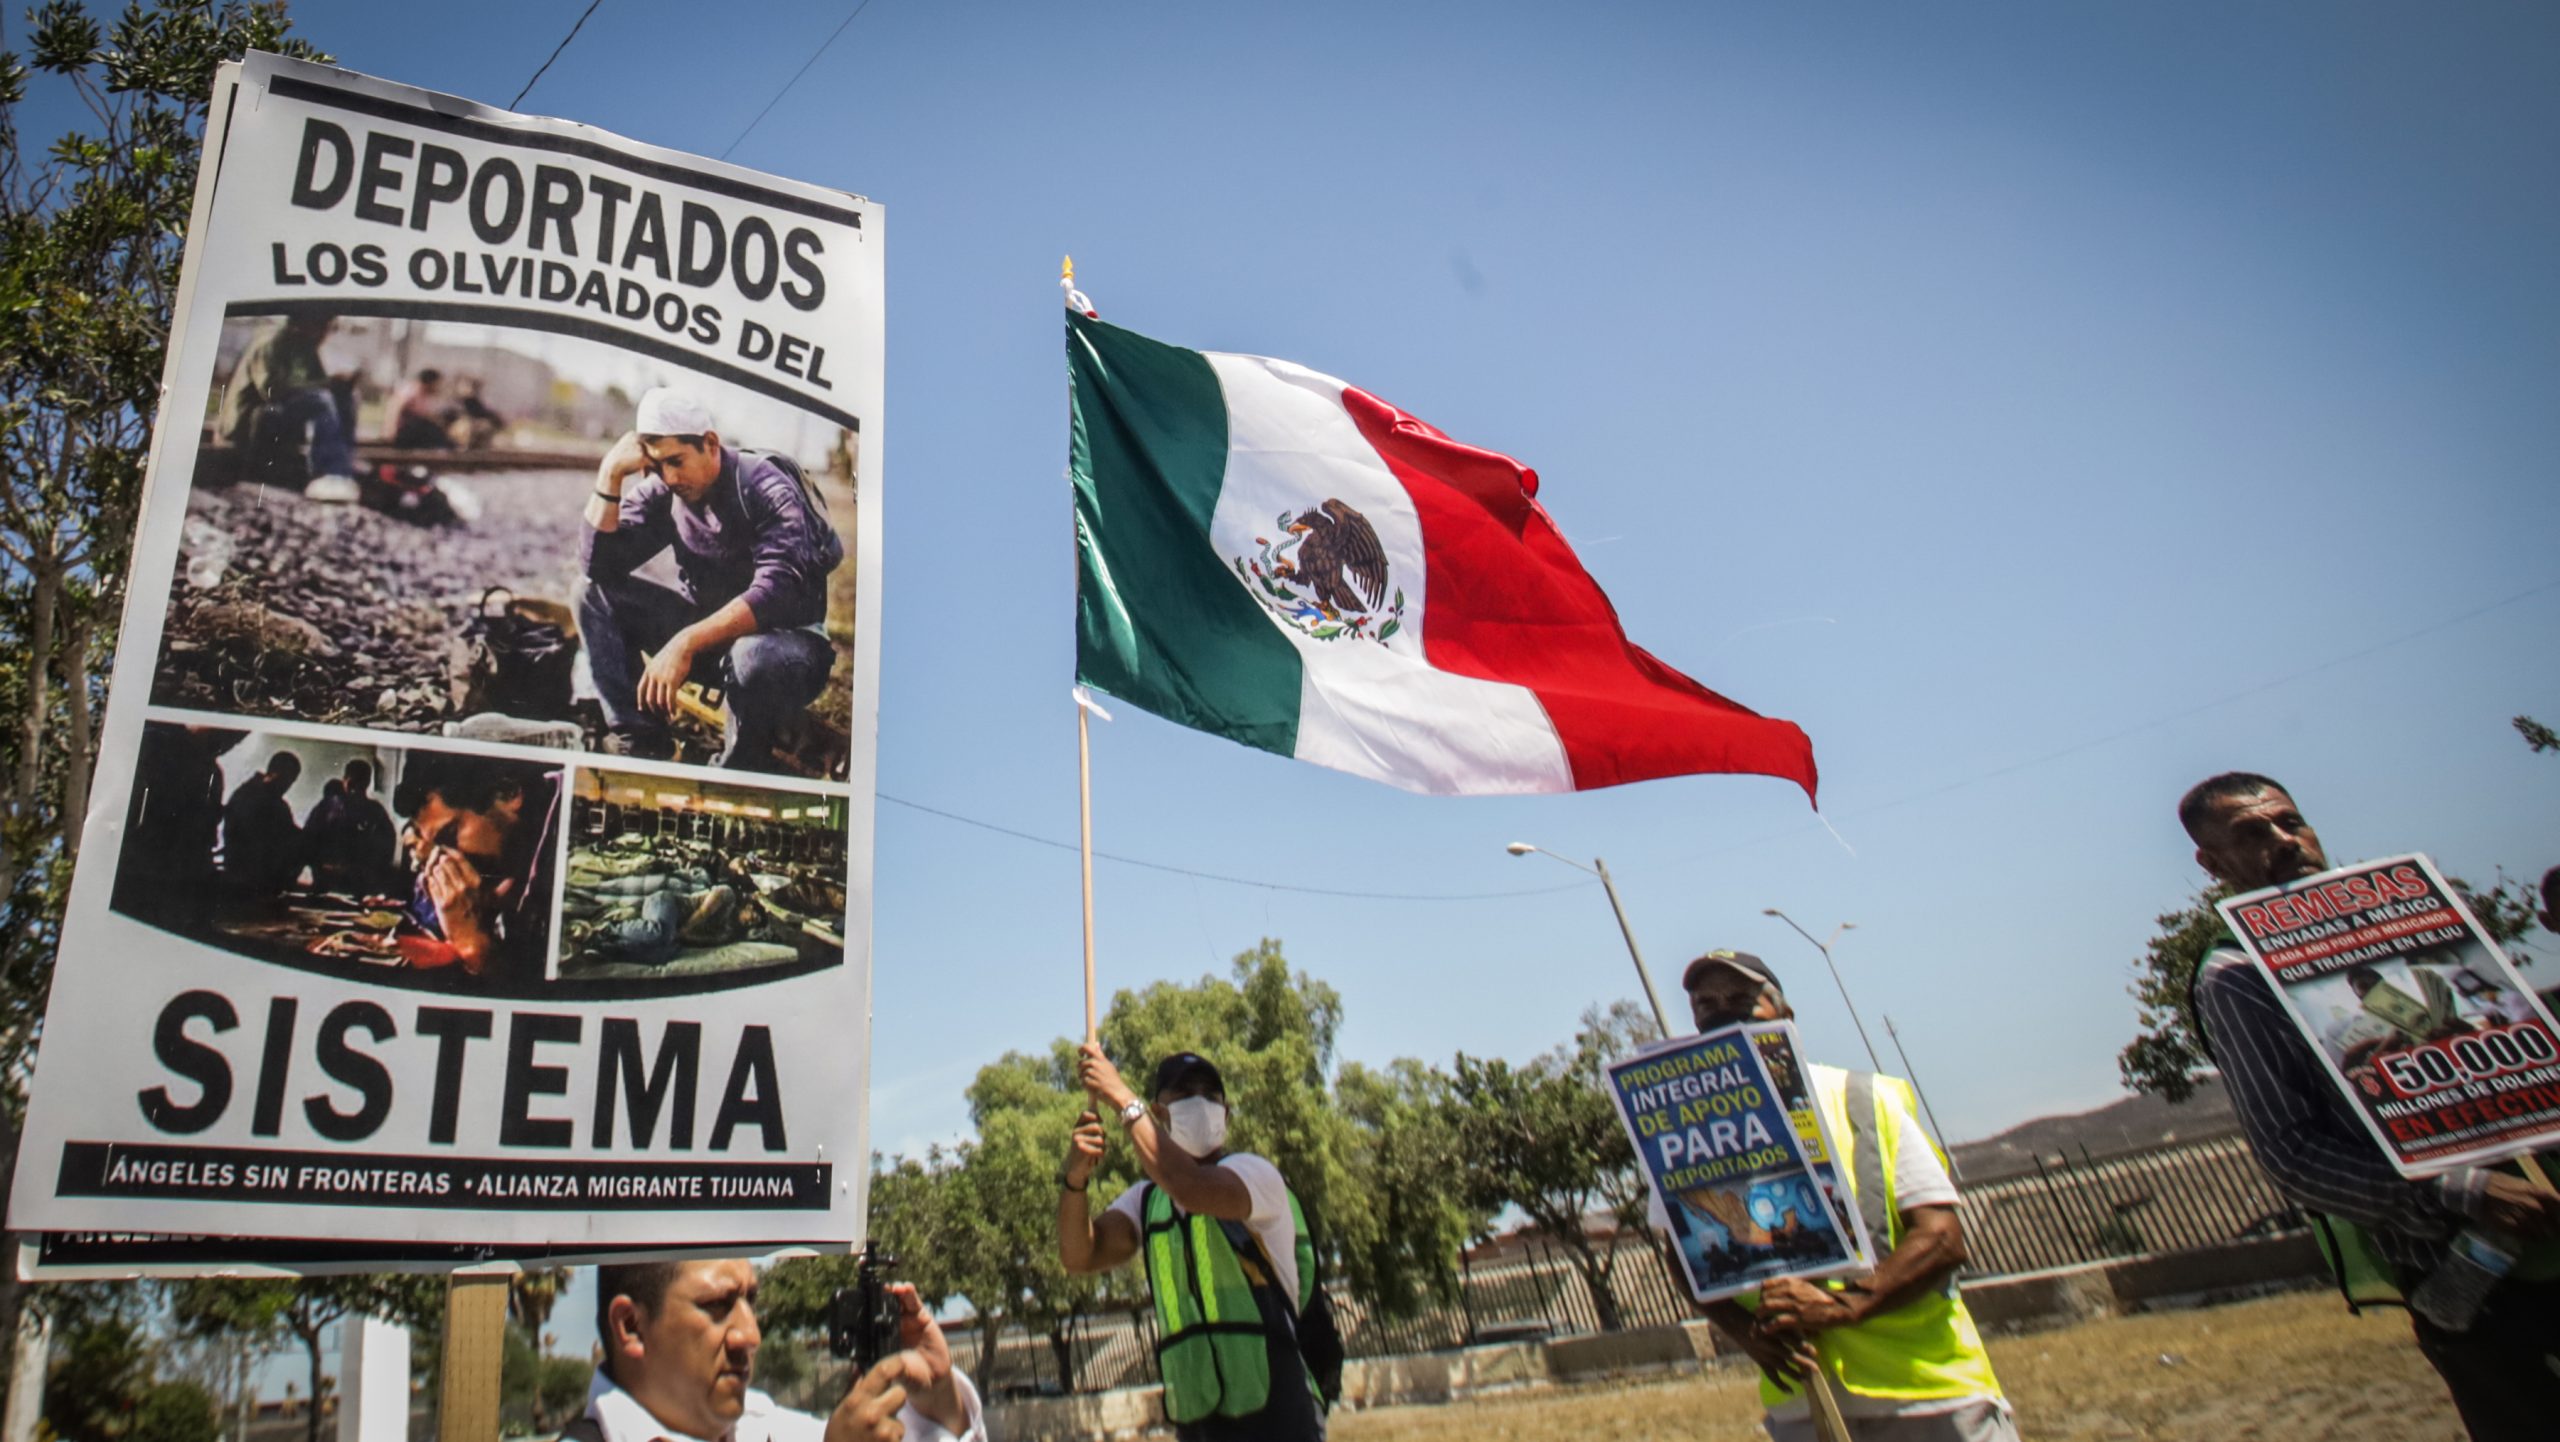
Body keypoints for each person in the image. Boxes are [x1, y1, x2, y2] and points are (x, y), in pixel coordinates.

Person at [2180, 771, 2560, 1440]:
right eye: (2251, 834)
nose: (2283, 841)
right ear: (2211, 864)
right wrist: (2467, 1192)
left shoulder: (2413, 920)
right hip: (2477, 1268)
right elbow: (2293, 1153)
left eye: (2290, 822)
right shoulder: (2237, 975)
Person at [1679, 949, 2016, 1442]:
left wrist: (1845, 1307)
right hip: (1804, 1406)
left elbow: (1943, 1240)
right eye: (1706, 1004)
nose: (1723, 1012)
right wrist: (1743, 1332)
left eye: (1741, 998)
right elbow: (1680, 1252)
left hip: (1927, 1395)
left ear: (1785, 1015)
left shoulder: (1860, 1099)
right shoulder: (1692, 1130)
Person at [1057, 1049, 1324, 1441]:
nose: (1199, 1103)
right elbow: (1080, 1254)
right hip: (1200, 1418)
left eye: (1210, 1096)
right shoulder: (1146, 1202)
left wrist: (1121, 1099)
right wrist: (1074, 1179)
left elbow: (1190, 1187)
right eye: (1183, 1095)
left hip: (1278, 1415)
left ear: (1227, 1114)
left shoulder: (1254, 1175)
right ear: (1160, 1114)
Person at [578, 388, 842, 772]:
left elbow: (778, 591)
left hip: (785, 652)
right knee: (591, 596)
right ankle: (640, 743)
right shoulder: (665, 490)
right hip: (712, 648)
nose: (668, 476)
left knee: (750, 655)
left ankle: (742, 764)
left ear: (711, 444)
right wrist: (610, 475)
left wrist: (684, 642)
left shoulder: (763, 485)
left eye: (676, 461)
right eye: (656, 466)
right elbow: (596, 566)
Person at [576, 1258, 983, 1442]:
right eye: (717, 1305)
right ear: (630, 1327)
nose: (750, 1335)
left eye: (751, 1301)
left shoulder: (769, 1428)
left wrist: (938, 1399)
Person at [389, 753, 559, 981]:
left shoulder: (567, 832)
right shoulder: (517, 854)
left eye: (450, 834)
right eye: (437, 847)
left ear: (507, 793)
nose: (445, 860)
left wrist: (473, 946)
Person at [218, 312, 360, 502]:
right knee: (321, 400)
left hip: (281, 418)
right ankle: (328, 473)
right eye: (324, 329)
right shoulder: (270, 342)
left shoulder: (307, 347)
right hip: (251, 419)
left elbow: (316, 385)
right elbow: (270, 391)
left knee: (344, 399)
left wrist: (337, 385)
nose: (324, 336)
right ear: (305, 323)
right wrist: (321, 387)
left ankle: (342, 472)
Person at [218, 751, 305, 896]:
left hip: (240, 865)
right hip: (249, 870)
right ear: (276, 773)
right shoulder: (260, 798)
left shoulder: (248, 792)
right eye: (288, 780)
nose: (288, 786)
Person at [304, 759, 395, 895]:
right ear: (344, 780)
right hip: (325, 883)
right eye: (352, 783)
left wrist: (359, 870)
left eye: (360, 784)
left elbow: (386, 849)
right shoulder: (326, 808)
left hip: (359, 886)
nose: (354, 789)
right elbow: (307, 840)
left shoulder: (375, 812)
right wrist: (320, 865)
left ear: (367, 783)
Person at [386, 368, 455, 448]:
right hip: (403, 433)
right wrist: (390, 429)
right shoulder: (411, 390)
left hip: (414, 434)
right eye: (437, 384)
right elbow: (394, 408)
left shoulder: (425, 396)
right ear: (431, 382)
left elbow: (424, 415)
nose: (439, 387)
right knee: (427, 426)